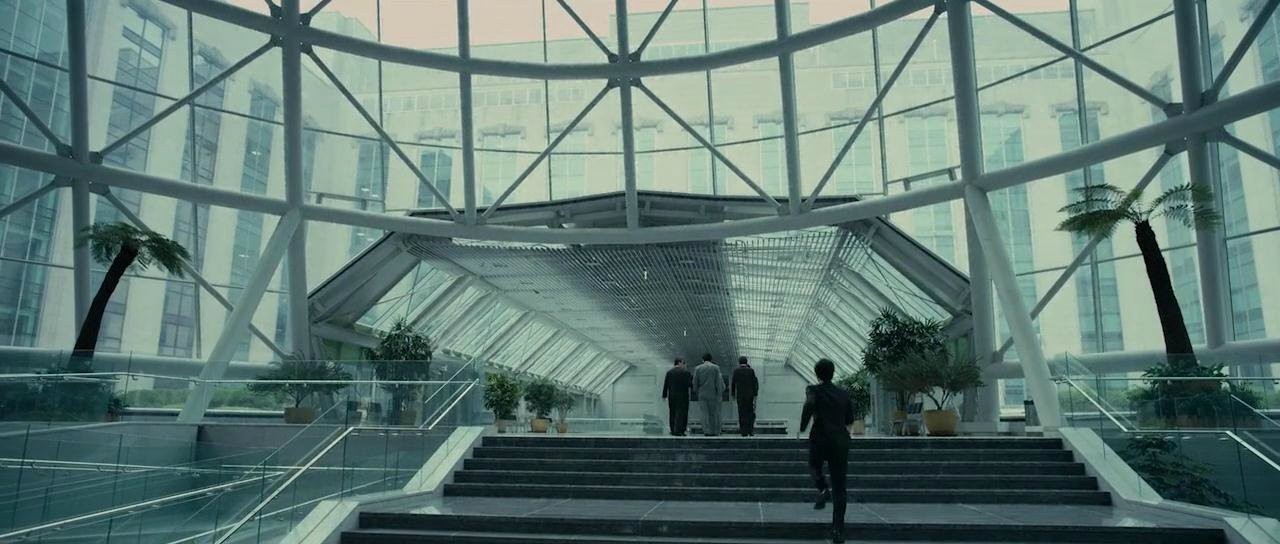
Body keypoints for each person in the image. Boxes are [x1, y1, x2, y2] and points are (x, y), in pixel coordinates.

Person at [799, 358, 854, 544]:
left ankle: (823, 488)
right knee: (840, 486)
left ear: (817, 374)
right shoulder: (844, 393)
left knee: (814, 465)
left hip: (820, 438)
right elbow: (849, 419)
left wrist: (803, 426)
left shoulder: (813, 390)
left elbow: (809, 405)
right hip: (840, 441)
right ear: (833, 372)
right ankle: (838, 531)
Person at [692, 353, 724, 436]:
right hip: (713, 393)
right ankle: (713, 431)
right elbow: (718, 382)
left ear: (703, 359)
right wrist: (719, 393)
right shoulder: (716, 368)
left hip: (702, 393)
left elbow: (695, 382)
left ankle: (706, 431)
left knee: (703, 413)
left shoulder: (698, 368)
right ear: (711, 359)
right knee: (713, 413)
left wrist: (696, 391)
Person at [661, 357, 693, 436]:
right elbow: (689, 384)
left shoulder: (669, 372)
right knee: (682, 413)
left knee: (672, 412)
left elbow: (666, 384)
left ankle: (673, 430)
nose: (684, 364)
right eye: (683, 363)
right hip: (683, 396)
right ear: (679, 363)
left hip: (672, 396)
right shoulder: (686, 372)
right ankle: (680, 430)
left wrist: (664, 395)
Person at [730, 356, 759, 437]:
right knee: (749, 413)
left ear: (739, 362)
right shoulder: (751, 371)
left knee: (741, 413)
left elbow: (733, 383)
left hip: (740, 396)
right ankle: (750, 431)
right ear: (746, 362)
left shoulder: (736, 371)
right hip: (750, 396)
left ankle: (743, 431)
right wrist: (755, 394)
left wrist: (733, 394)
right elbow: (754, 383)